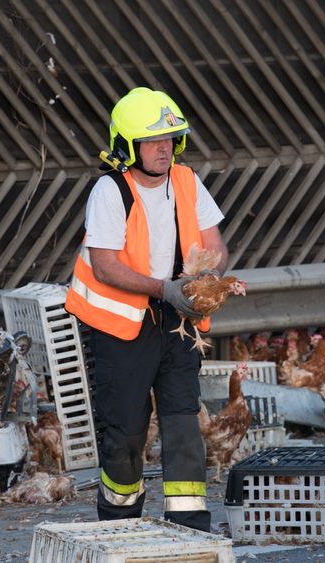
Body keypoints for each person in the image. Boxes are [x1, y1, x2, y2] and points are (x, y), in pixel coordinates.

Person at [65, 87, 228, 532]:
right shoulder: (110, 190)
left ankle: (190, 528)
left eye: (171, 138)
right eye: (153, 141)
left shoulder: (187, 180)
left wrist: (206, 282)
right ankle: (119, 526)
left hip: (177, 325)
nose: (164, 148)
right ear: (127, 146)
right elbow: (105, 265)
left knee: (183, 426)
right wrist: (164, 288)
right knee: (126, 433)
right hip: (123, 329)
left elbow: (214, 243)